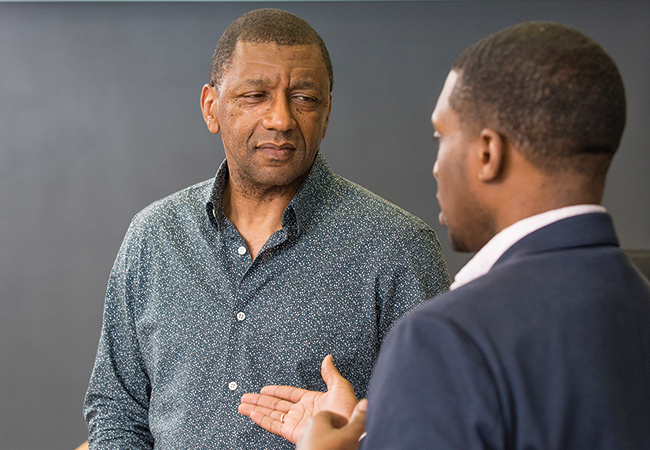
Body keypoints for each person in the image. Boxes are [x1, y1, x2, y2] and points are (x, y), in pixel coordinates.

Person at [238, 21, 650, 449]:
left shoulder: (446, 338)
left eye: (442, 137)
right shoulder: (636, 304)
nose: (436, 166)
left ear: (488, 154)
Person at [83, 8, 450, 450]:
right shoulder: (154, 237)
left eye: (304, 99)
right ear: (211, 107)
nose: (281, 119)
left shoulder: (397, 248)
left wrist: (360, 439)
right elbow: (117, 408)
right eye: (255, 95)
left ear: (328, 112)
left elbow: (441, 424)